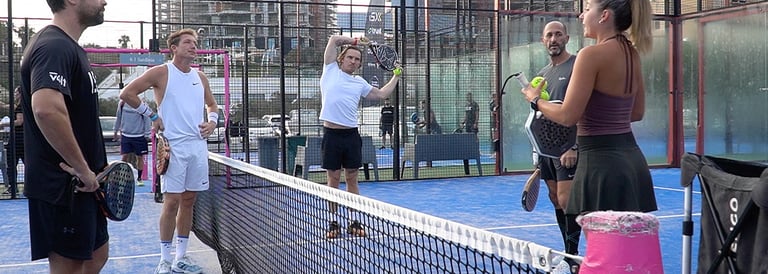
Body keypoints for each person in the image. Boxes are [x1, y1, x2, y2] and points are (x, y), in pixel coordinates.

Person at [521, 0, 657, 224]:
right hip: (632, 162)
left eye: (586, 10)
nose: (581, 16)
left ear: (604, 16)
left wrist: (535, 100)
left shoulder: (590, 55)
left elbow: (567, 116)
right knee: (625, 252)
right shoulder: (632, 53)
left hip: (600, 166)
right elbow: (636, 113)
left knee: (604, 252)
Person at [19, 0, 110, 272]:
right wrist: (83, 170)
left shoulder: (70, 48)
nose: (105, 1)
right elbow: (46, 109)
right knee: (70, 268)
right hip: (64, 186)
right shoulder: (53, 45)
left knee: (96, 256)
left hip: (85, 185)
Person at [120, 28, 219, 274]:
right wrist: (151, 115)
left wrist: (213, 122)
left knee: (189, 201)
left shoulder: (201, 77)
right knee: (171, 202)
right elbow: (127, 94)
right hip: (172, 148)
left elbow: (212, 104)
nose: (193, 47)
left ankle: (181, 258)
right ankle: (164, 261)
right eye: (188, 42)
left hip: (197, 147)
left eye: (195, 43)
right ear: (174, 48)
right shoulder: (161, 73)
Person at [320, 35, 401, 238]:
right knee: (333, 179)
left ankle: (354, 221)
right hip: (331, 135)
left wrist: (397, 75)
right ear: (341, 59)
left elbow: (382, 94)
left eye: (357, 60)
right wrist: (356, 41)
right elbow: (333, 40)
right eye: (350, 58)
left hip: (351, 136)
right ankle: (333, 222)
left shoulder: (359, 82)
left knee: (352, 179)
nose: (354, 61)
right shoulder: (329, 70)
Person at [532, 21, 581, 267]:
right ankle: (567, 254)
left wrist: (574, 146)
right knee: (554, 198)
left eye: (558, 34)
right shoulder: (542, 75)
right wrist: (537, 152)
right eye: (549, 35)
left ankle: (572, 259)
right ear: (543, 41)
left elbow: (584, 108)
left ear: (567, 38)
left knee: (566, 199)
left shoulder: (577, 67)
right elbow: (541, 116)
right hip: (546, 151)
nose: (554, 39)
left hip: (568, 147)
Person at [113, 99, 152, 186]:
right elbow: (118, 117)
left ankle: (139, 178)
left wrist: (147, 134)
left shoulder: (142, 104)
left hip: (139, 136)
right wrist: (115, 131)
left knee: (139, 158)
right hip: (126, 135)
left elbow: (147, 118)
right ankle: (122, 178)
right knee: (124, 157)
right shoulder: (122, 103)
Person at [2, 87, 25, 194]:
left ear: (20, 94)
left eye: (16, 93)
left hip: (17, 140)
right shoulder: (24, 105)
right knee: (27, 163)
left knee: (11, 163)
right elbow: (6, 106)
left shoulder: (21, 106)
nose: (15, 94)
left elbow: (19, 121)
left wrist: (3, 124)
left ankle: (13, 188)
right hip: (23, 140)